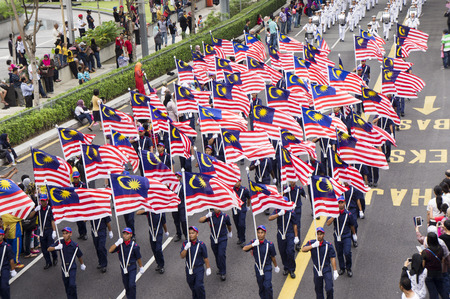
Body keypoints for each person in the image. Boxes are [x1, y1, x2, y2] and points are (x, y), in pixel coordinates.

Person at [243, 225, 280, 299]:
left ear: (265, 233)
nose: (260, 234)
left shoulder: (270, 245)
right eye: (258, 232)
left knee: (267, 286)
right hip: (258, 267)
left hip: (267, 267)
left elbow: (273, 257)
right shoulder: (254, 242)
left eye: (262, 233)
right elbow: (244, 248)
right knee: (261, 286)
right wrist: (253, 245)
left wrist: (276, 266)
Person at [48, 227, 85, 299]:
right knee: (67, 285)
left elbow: (79, 255)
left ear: (70, 234)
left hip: (72, 267)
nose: (64, 235)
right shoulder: (60, 242)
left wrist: (82, 264)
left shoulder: (74, 245)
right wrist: (56, 248)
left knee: (72, 285)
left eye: (66, 233)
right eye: (63, 234)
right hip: (64, 267)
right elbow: (49, 249)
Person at [302, 227, 339, 299]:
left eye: (321, 234)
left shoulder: (328, 245)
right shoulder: (311, 243)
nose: (319, 236)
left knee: (329, 288)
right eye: (318, 234)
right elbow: (303, 249)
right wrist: (312, 246)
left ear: (324, 235)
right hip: (316, 268)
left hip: (326, 268)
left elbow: (332, 258)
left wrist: (335, 270)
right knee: (318, 290)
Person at [326, 196, 357, 277]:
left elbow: (352, 225)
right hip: (337, 236)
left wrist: (354, 234)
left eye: (342, 202)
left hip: (346, 236)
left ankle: (349, 268)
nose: (340, 204)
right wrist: (334, 216)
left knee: (347, 252)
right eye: (339, 203)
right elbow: (328, 223)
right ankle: (342, 268)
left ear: (344, 203)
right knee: (339, 253)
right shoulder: (334, 213)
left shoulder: (348, 214)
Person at [110, 228, 144, 299]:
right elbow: (110, 250)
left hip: (132, 267)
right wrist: (117, 243)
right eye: (124, 234)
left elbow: (138, 257)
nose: (125, 235)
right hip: (123, 268)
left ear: (131, 235)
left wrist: (141, 267)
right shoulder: (120, 245)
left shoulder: (135, 246)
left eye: (127, 234)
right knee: (127, 286)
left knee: (132, 285)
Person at [199, 209, 232, 281]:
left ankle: (223, 272)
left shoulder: (225, 216)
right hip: (214, 238)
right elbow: (200, 220)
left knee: (221, 254)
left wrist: (230, 232)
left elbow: (229, 225)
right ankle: (220, 268)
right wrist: (206, 216)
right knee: (216, 254)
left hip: (222, 238)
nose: (216, 209)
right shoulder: (211, 216)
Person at [180, 226, 211, 299]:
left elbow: (205, 257)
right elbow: (182, 256)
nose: (191, 235)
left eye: (193, 233)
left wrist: (208, 267)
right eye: (189, 233)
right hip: (189, 268)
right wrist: (185, 248)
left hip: (198, 268)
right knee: (193, 287)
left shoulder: (201, 245)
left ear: (197, 234)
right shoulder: (186, 243)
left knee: (199, 286)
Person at [268, 205, 298, 278]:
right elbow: (270, 218)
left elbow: (295, 225)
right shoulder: (277, 210)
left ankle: (291, 269)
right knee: (282, 251)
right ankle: (286, 267)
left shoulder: (291, 212)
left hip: (289, 234)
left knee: (290, 251)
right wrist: (279, 214)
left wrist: (296, 236)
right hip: (281, 234)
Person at [137, 210, 168, 274]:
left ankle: (162, 265)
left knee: (158, 249)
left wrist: (166, 231)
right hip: (151, 232)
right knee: (154, 249)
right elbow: (138, 213)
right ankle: (158, 264)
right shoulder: (149, 211)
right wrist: (147, 210)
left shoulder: (161, 212)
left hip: (158, 232)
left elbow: (163, 222)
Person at [33, 194, 58, 269]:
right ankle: (48, 262)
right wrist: (35, 210)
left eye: (44, 200)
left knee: (51, 246)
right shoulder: (39, 209)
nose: (42, 202)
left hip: (49, 229)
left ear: (47, 200)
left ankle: (55, 257)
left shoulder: (50, 209)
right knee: (44, 248)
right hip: (42, 231)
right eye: (41, 201)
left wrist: (54, 231)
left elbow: (52, 221)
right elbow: (30, 216)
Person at [421, 232, 447, 298]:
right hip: (438, 272)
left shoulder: (426, 252)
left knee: (433, 292)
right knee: (442, 289)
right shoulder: (440, 248)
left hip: (429, 274)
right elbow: (442, 260)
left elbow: (423, 265)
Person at [283, 181, 306, 251]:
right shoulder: (285, 188)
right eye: (291, 181)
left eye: (293, 181)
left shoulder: (299, 189)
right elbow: (279, 196)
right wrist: (285, 191)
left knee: (297, 225)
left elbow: (303, 194)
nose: (292, 182)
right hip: (288, 209)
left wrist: (305, 196)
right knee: (288, 226)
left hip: (297, 209)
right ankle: (289, 242)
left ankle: (298, 243)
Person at [232, 180, 250, 247]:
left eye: (238, 181)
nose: (237, 183)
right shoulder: (231, 190)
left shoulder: (244, 190)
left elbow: (249, 197)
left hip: (242, 209)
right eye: (236, 182)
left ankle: (243, 240)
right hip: (235, 209)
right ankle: (239, 236)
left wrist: (248, 206)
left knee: (241, 224)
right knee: (237, 224)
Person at [0, 229, 16, 299]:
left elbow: (11, 259)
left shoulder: (7, 247)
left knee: (4, 286)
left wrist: (13, 270)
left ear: (3, 236)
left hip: (4, 268)